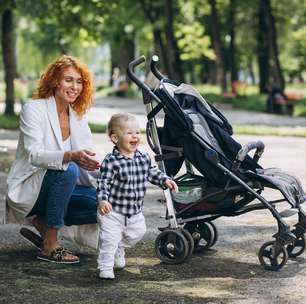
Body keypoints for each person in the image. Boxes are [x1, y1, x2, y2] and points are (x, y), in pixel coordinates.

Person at [6, 55, 101, 264]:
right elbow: (34, 154)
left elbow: (89, 157)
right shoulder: (34, 109)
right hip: (30, 187)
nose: (75, 86)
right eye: (68, 80)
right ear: (54, 81)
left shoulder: (78, 116)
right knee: (68, 169)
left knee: (101, 199)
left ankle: (43, 223)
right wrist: (69, 156)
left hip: (61, 188)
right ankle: (50, 245)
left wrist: (112, 171)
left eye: (79, 81)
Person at [96, 113, 178, 279]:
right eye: (129, 133)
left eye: (137, 132)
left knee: (138, 233)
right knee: (108, 240)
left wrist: (165, 180)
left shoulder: (143, 157)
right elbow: (103, 183)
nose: (135, 136)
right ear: (115, 138)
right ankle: (105, 267)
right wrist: (103, 200)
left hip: (134, 211)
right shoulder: (111, 161)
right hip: (113, 211)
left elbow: (152, 172)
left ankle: (120, 247)